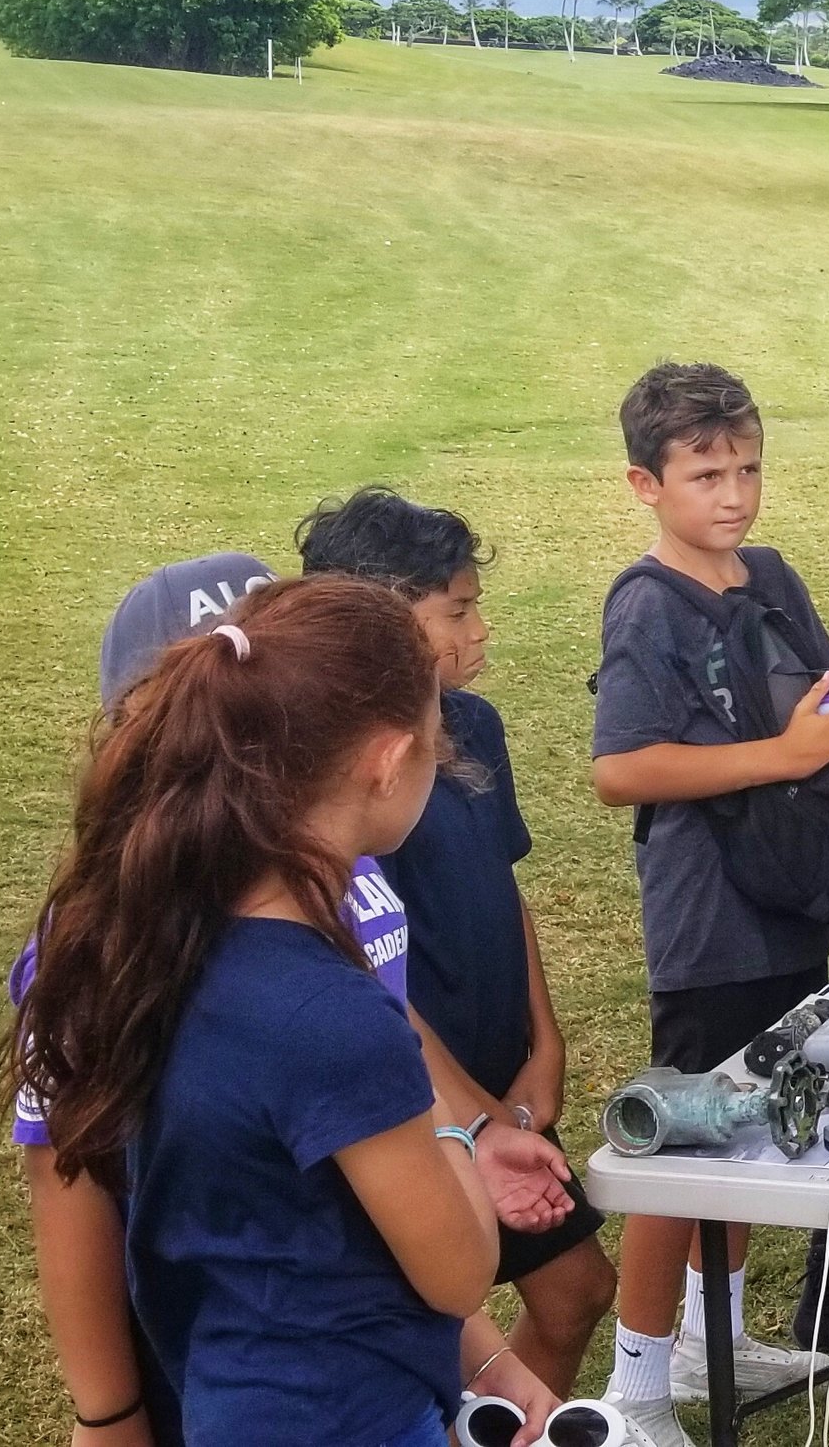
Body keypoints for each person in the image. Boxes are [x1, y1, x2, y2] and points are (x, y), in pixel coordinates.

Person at [9, 556, 565, 1447]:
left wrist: (484, 1356)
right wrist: (459, 1143)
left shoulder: (161, 938)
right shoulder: (320, 1008)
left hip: (240, 1376)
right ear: (387, 762)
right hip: (343, 1411)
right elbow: (459, 1272)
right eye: (437, 734)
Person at [590, 362, 829, 1446]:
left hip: (788, 892)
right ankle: (634, 1384)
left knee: (757, 1115)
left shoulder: (767, 572)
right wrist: (786, 751)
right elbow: (620, 766)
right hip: (706, 919)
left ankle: (708, 1333)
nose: (734, 493)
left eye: (748, 466)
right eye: (706, 472)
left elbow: (812, 693)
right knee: (679, 1138)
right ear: (645, 482)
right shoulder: (645, 605)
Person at [300, 488, 619, 1397]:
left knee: (573, 1293)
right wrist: (473, 1114)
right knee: (441, 1311)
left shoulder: (472, 724)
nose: (480, 631)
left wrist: (544, 1043)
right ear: (381, 620)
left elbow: (503, 883)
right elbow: (368, 967)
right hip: (423, 1102)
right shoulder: (348, 769)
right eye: (460, 611)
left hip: (501, 1081)